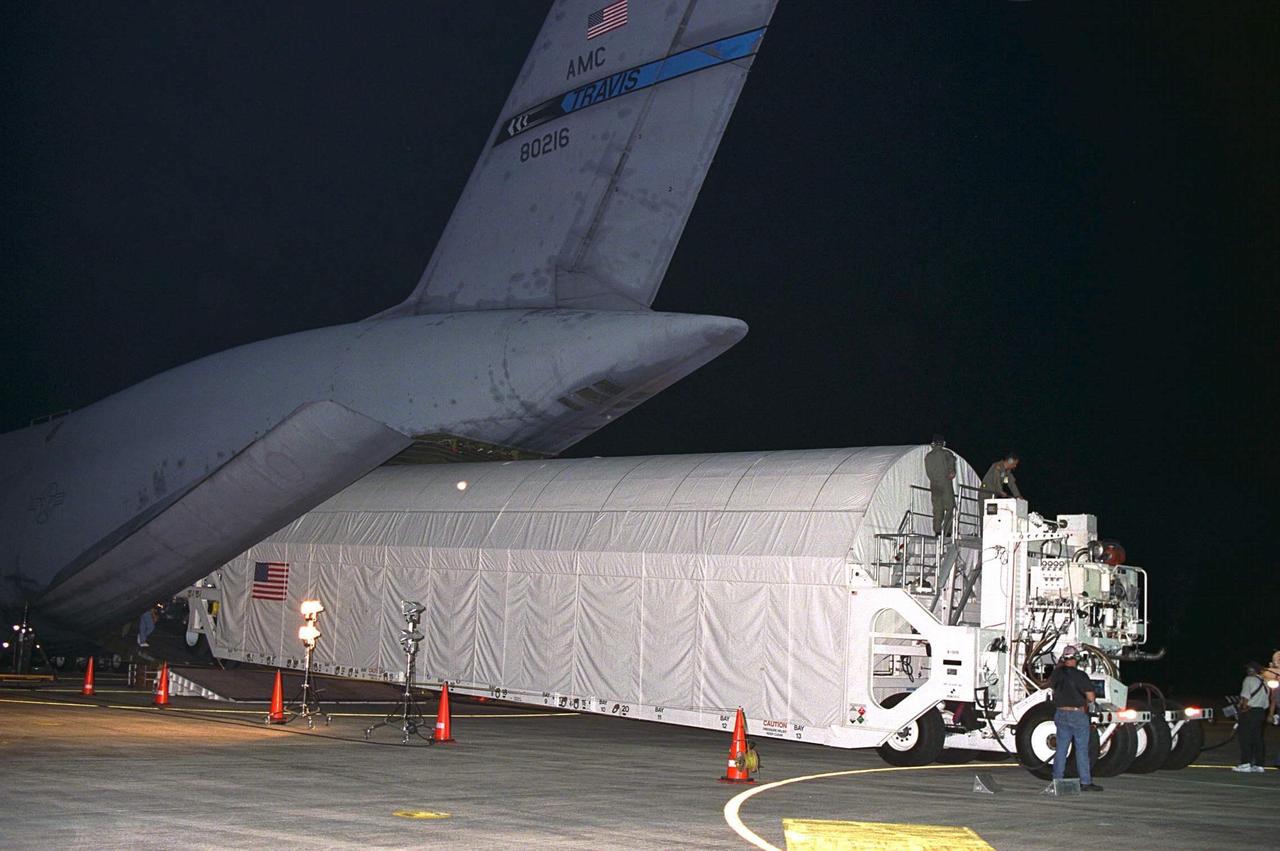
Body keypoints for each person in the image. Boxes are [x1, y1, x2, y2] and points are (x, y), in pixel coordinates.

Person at [1048, 645, 1102, 790]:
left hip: (1060, 713)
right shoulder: (1080, 676)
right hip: (1077, 714)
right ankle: (1085, 782)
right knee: (1081, 749)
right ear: (1076, 658)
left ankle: (1057, 780)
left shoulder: (1056, 675)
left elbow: (1052, 689)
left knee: (1061, 749)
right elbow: (1090, 697)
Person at [1233, 661, 1269, 773]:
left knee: (1245, 738)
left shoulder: (1248, 680)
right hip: (1261, 712)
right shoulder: (1265, 683)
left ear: (1252, 670)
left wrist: (1241, 709)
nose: (1248, 670)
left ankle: (1245, 763)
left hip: (1249, 712)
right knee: (1257, 738)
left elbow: (1245, 698)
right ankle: (1259, 765)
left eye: (1249, 669)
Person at [924, 435, 956, 537]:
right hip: (945, 483)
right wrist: (951, 471)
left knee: (938, 508)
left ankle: (937, 531)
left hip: (934, 484)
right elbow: (952, 461)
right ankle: (947, 531)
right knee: (950, 507)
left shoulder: (928, 456)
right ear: (942, 443)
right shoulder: (946, 454)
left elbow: (928, 473)